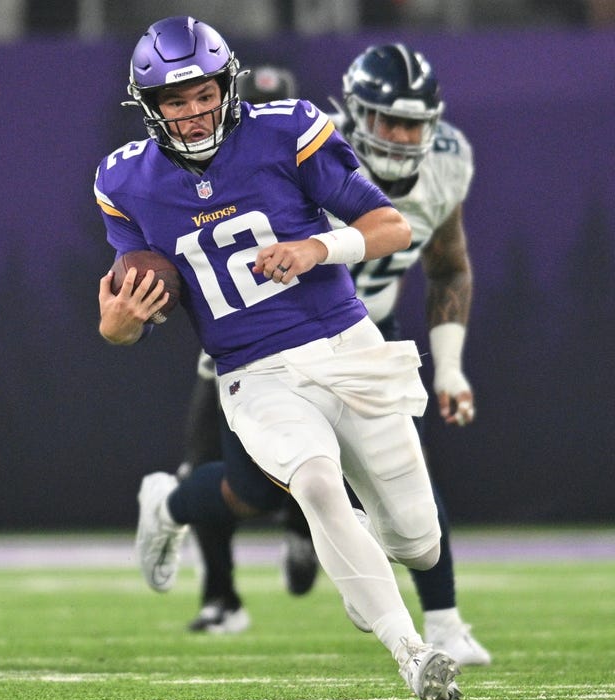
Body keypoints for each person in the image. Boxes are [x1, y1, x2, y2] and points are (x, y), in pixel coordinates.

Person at [94, 16, 461, 700]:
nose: (194, 111)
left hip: (348, 347)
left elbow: (393, 225)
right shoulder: (125, 181)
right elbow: (127, 313)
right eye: (174, 100)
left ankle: (369, 556)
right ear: (150, 108)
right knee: (317, 484)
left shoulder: (285, 128)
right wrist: (117, 326)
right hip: (253, 371)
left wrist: (315, 248)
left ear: (225, 85)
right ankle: (411, 652)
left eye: (203, 93)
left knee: (417, 541)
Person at [170, 52, 491, 668]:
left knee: (408, 497)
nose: (402, 136)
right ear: (357, 111)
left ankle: (443, 621)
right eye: (387, 121)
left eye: (414, 123)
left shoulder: (448, 161)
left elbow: (446, 261)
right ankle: (168, 504)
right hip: (271, 340)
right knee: (252, 492)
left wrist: (449, 366)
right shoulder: (307, 144)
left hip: (366, 330)